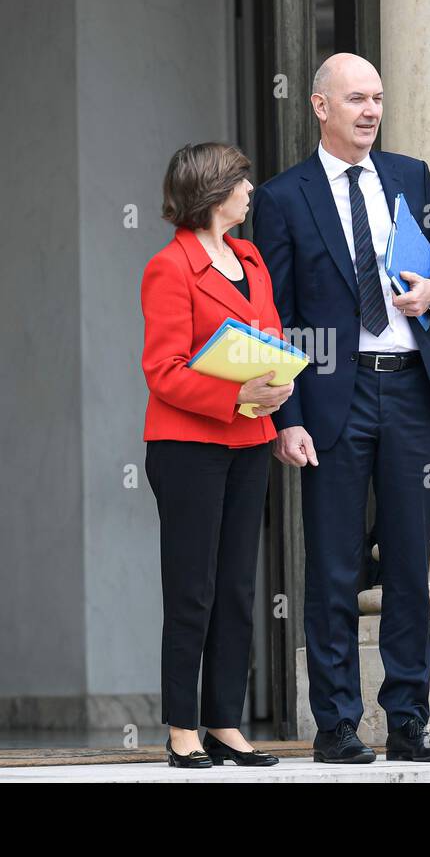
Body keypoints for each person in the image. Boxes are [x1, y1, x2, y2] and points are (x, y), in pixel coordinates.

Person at [251, 53, 430, 763]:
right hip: (332, 397)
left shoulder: (410, 177)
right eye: (355, 100)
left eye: (377, 99)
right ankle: (337, 724)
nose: (370, 111)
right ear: (319, 107)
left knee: (407, 564)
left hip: (408, 389)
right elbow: (273, 317)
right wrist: (287, 416)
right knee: (335, 566)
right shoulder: (283, 198)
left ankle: (408, 720)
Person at [140, 142, 290, 768]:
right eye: (241, 181)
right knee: (192, 589)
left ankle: (226, 722)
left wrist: (279, 379)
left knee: (236, 587)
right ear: (211, 191)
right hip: (188, 446)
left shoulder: (250, 258)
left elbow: (272, 331)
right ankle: (182, 728)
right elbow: (162, 370)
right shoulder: (169, 267)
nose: (251, 190)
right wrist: (236, 392)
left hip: (250, 439)